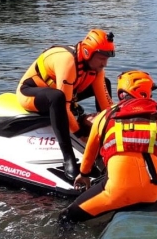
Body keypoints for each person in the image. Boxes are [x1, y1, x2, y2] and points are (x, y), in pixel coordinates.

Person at [60, 70, 157, 223]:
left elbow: (89, 155)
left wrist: (83, 175)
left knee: (67, 216)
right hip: (152, 193)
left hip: (117, 192)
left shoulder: (104, 115)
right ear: (145, 92)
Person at [17, 29, 115, 180]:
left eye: (107, 58)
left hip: (64, 93)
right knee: (57, 97)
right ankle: (68, 157)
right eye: (102, 58)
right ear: (88, 53)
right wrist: (80, 134)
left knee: (105, 83)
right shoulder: (68, 61)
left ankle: (104, 142)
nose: (105, 63)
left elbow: (106, 106)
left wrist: (115, 129)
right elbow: (64, 106)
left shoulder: (96, 68)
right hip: (30, 93)